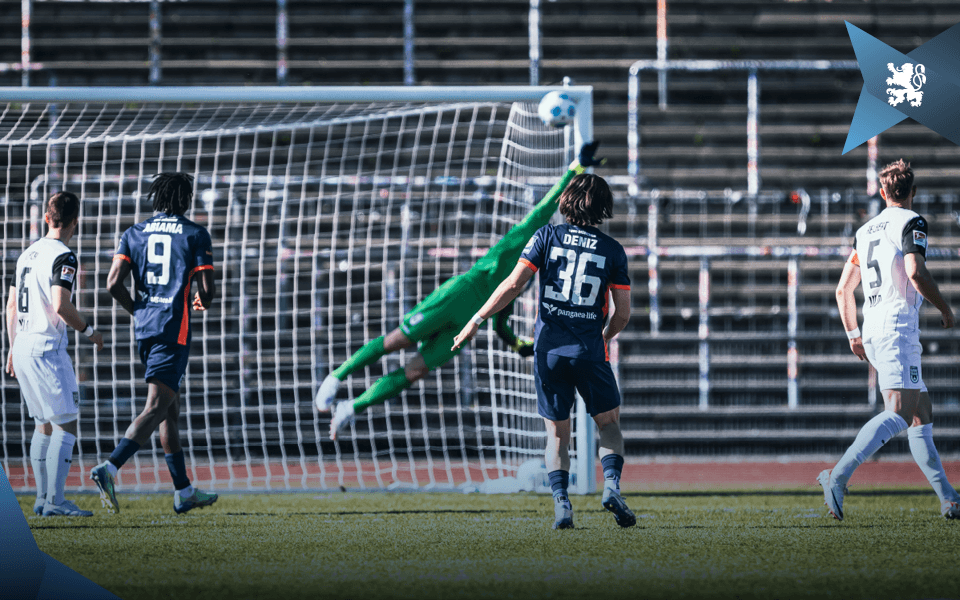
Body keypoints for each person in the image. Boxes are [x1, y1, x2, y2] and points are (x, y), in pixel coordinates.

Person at [315, 142, 603, 440]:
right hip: (456, 296)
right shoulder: (519, 242)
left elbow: (500, 321)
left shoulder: (527, 278)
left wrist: (518, 345)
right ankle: (336, 377)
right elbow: (547, 206)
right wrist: (576, 168)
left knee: (416, 371)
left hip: (469, 322)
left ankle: (352, 407)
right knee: (396, 341)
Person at [452, 172, 634, 530]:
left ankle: (562, 505)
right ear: (603, 206)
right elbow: (623, 313)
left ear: (566, 201)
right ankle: (611, 487)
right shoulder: (613, 250)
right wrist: (605, 335)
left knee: (556, 433)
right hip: (589, 350)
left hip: (549, 350)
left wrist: (477, 318)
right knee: (609, 425)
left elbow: (514, 283)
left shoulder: (546, 236)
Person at [820, 159, 960, 521]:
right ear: (913, 193)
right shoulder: (911, 222)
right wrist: (945, 308)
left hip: (872, 326)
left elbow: (842, 290)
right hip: (898, 327)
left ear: (883, 193)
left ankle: (949, 498)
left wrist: (853, 333)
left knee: (920, 413)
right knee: (898, 411)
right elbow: (915, 271)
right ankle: (838, 476)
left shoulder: (865, 231)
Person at [89, 173, 219, 515]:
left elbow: (113, 283)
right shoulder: (195, 233)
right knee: (157, 406)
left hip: (145, 328)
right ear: (185, 198)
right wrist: (202, 301)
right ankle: (110, 468)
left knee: (169, 410)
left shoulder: (133, 232)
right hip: (172, 330)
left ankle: (184, 491)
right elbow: (208, 291)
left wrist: (138, 310)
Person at [5, 191, 103, 517]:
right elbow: (61, 305)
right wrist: (89, 332)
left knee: (42, 425)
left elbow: (9, 305)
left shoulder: (25, 255)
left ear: (47, 218)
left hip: (21, 345)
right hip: (46, 348)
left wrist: (10, 347)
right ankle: (56, 501)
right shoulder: (64, 256)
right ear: (76, 221)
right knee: (66, 425)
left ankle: (42, 498)